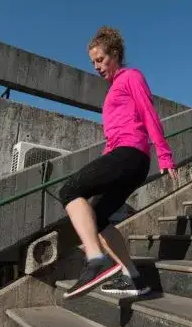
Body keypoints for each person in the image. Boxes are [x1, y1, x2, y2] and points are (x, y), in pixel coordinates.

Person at [59, 26, 179, 300]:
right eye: (93, 63)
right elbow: (112, 138)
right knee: (97, 216)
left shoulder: (131, 77)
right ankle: (132, 277)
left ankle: (94, 259)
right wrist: (103, 165)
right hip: (122, 156)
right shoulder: (113, 91)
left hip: (132, 154)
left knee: (68, 191)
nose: (96, 67)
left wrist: (165, 154)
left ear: (115, 55)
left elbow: (149, 113)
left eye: (100, 60)